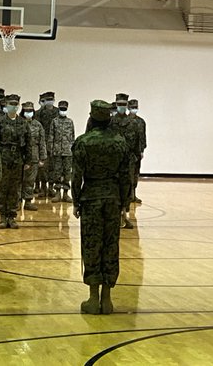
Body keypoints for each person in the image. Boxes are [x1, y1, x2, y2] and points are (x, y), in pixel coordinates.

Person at [72, 100, 132, 315]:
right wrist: (125, 202)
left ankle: (92, 297)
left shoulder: (83, 142)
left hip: (91, 198)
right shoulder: (120, 142)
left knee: (91, 245)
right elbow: (127, 176)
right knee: (110, 245)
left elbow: (76, 176)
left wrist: (76, 200)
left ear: (92, 117)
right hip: (113, 198)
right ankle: (107, 299)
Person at [0, 95, 32, 228]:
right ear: (6, 104)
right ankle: (2, 216)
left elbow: (28, 142)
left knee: (15, 189)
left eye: (16, 104)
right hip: (3, 158)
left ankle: (12, 216)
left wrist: (28, 160)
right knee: (2, 187)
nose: (13, 106)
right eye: (11, 104)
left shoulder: (22, 122)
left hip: (18, 159)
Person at [110, 93, 142, 228]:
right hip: (113, 161)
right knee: (114, 188)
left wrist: (137, 156)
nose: (122, 107)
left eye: (124, 104)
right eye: (119, 104)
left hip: (128, 161)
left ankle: (124, 215)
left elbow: (137, 143)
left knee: (126, 188)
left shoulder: (133, 123)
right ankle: (115, 217)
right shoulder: (110, 123)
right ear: (116, 104)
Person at [21, 101, 48, 212]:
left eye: (30, 111)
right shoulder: (19, 123)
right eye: (26, 111)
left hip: (34, 156)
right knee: (18, 180)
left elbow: (42, 142)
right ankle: (17, 202)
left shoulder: (38, 125)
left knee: (30, 181)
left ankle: (28, 201)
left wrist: (43, 158)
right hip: (20, 157)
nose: (28, 113)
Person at [48, 100, 76, 203]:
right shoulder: (54, 121)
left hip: (68, 152)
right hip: (57, 152)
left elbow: (72, 137)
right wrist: (51, 150)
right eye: (61, 109)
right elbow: (51, 136)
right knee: (57, 172)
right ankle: (57, 193)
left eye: (65, 109)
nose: (63, 111)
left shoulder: (70, 122)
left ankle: (66, 194)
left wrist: (72, 149)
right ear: (59, 109)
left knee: (67, 173)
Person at [36, 91, 60, 198]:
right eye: (48, 99)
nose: (50, 102)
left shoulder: (58, 112)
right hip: (43, 143)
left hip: (55, 143)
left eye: (51, 99)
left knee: (53, 167)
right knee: (42, 167)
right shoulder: (39, 113)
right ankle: (43, 188)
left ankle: (51, 187)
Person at [127, 98, 147, 204]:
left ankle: (133, 194)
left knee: (136, 173)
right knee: (128, 174)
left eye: (136, 107)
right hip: (128, 152)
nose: (134, 109)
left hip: (137, 151)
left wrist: (142, 149)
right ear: (128, 108)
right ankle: (128, 195)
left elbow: (143, 136)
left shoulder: (141, 122)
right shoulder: (125, 121)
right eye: (132, 107)